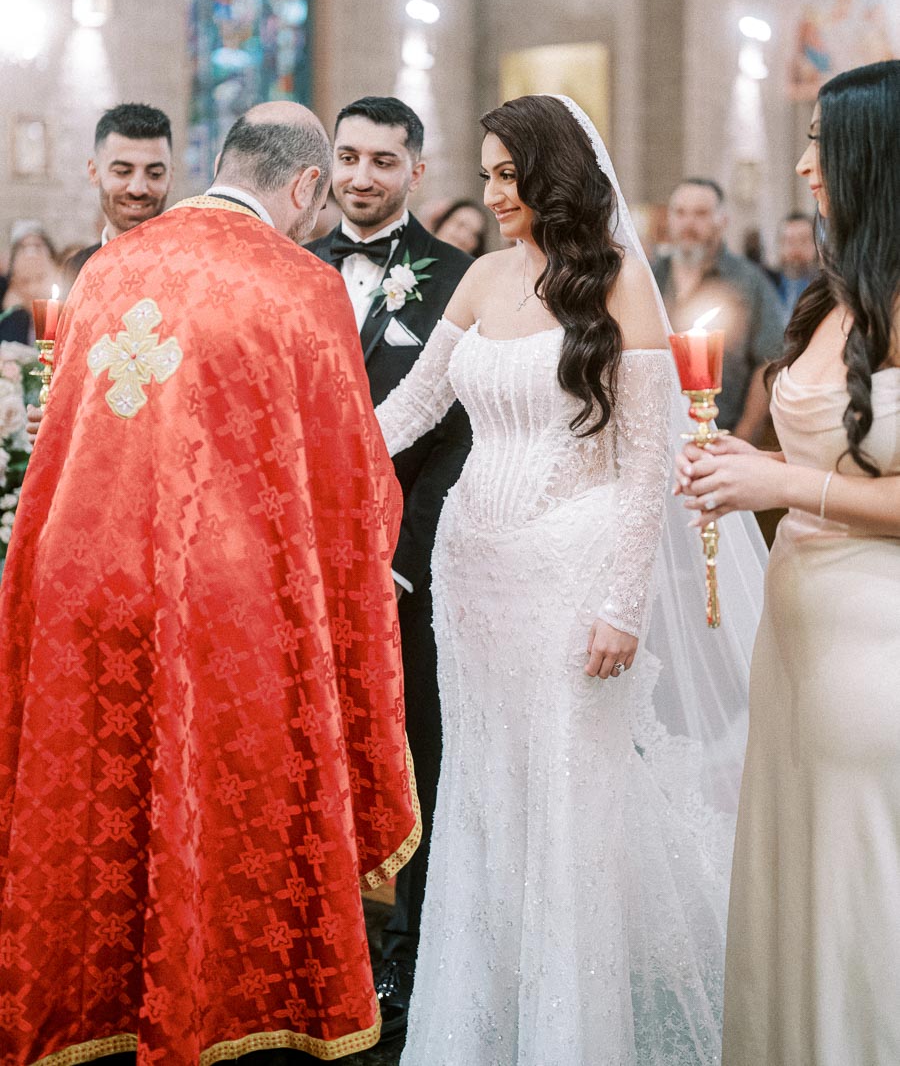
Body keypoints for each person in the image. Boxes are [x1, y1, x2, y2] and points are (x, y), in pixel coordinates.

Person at [0, 102, 420, 1066]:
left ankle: (92, 1002)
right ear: (308, 186)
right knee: (208, 806)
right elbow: (354, 482)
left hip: (84, 592)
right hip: (225, 609)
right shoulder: (300, 284)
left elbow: (58, 454)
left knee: (103, 802)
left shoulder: (108, 267)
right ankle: (207, 1004)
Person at [374, 94, 766, 1066]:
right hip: (472, 578)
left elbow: (644, 466)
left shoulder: (620, 281)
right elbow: (404, 412)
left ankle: (568, 1038)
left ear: (553, 174)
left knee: (566, 809)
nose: (494, 192)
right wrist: (296, 453)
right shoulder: (477, 279)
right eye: (488, 174)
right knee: (481, 799)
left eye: (510, 174)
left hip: (576, 573)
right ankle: (476, 1027)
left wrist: (622, 603)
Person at [675, 60, 900, 1066]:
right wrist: (751, 461)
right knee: (797, 878)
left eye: (819, 142)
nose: (804, 162)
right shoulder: (838, 294)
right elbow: (837, 460)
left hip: (876, 649)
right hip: (799, 640)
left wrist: (785, 491)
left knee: (861, 890)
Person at [307, 96, 471, 1039]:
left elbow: (454, 440)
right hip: (300, 564)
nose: (362, 177)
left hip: (404, 570)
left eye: (384, 160)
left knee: (412, 750)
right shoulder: (293, 270)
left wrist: (402, 563)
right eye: (349, 157)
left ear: (417, 166)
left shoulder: (454, 278)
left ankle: (404, 952)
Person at [652, 178, 785, 440]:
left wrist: (744, 435)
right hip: (657, 435)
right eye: (680, 213)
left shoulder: (749, 281)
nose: (688, 224)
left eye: (700, 214)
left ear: (722, 220)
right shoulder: (650, 277)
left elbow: (768, 362)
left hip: (724, 431)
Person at [62, 102, 173, 284]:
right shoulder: (77, 268)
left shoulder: (189, 265)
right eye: (122, 171)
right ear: (94, 172)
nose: (138, 189)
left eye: (154, 174)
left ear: (170, 177)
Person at [0, 223, 61, 343]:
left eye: (40, 279)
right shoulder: (10, 318)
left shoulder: (66, 316)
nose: (33, 289)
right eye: (25, 281)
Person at [767, 210, 819, 318]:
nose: (796, 250)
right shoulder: (766, 289)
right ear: (780, 246)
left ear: (816, 245)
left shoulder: (829, 290)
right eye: (790, 242)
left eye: (803, 241)